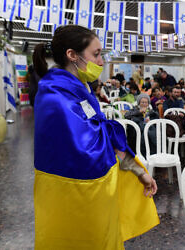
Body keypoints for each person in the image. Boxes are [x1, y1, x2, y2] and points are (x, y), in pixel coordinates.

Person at [32, 25, 158, 248]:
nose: (101, 62)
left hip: (93, 195)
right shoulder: (56, 97)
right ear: (72, 55)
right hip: (73, 195)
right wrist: (136, 168)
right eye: (96, 53)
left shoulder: (81, 88)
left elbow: (100, 133)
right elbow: (92, 145)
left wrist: (139, 172)